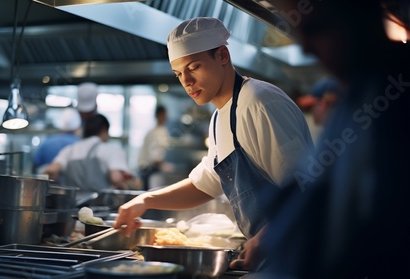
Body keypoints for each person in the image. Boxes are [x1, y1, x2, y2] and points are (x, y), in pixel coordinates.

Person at [113, 17, 314, 271]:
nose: (186, 81)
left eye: (194, 67)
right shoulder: (220, 117)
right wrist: (146, 199)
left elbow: (308, 191)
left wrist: (263, 239)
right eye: (178, 74)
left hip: (303, 258)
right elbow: (205, 184)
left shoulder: (260, 102)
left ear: (222, 56)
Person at [250, 0, 410, 278]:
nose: (306, 48)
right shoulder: (357, 95)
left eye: (317, 29)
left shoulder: (395, 100)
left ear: (360, 15)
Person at [44, 113, 140, 191]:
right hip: (100, 209)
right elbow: (115, 178)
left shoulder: (70, 150)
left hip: (72, 207)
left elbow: (51, 171)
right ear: (104, 130)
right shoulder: (112, 150)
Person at [32, 107, 81, 173]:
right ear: (77, 128)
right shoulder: (79, 145)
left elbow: (35, 166)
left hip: (48, 182)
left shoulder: (48, 142)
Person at [137, 105, 173, 190]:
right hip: (148, 169)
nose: (166, 117)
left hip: (148, 168)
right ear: (160, 115)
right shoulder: (156, 132)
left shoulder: (156, 131)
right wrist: (163, 165)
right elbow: (155, 155)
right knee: (149, 193)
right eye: (164, 114)